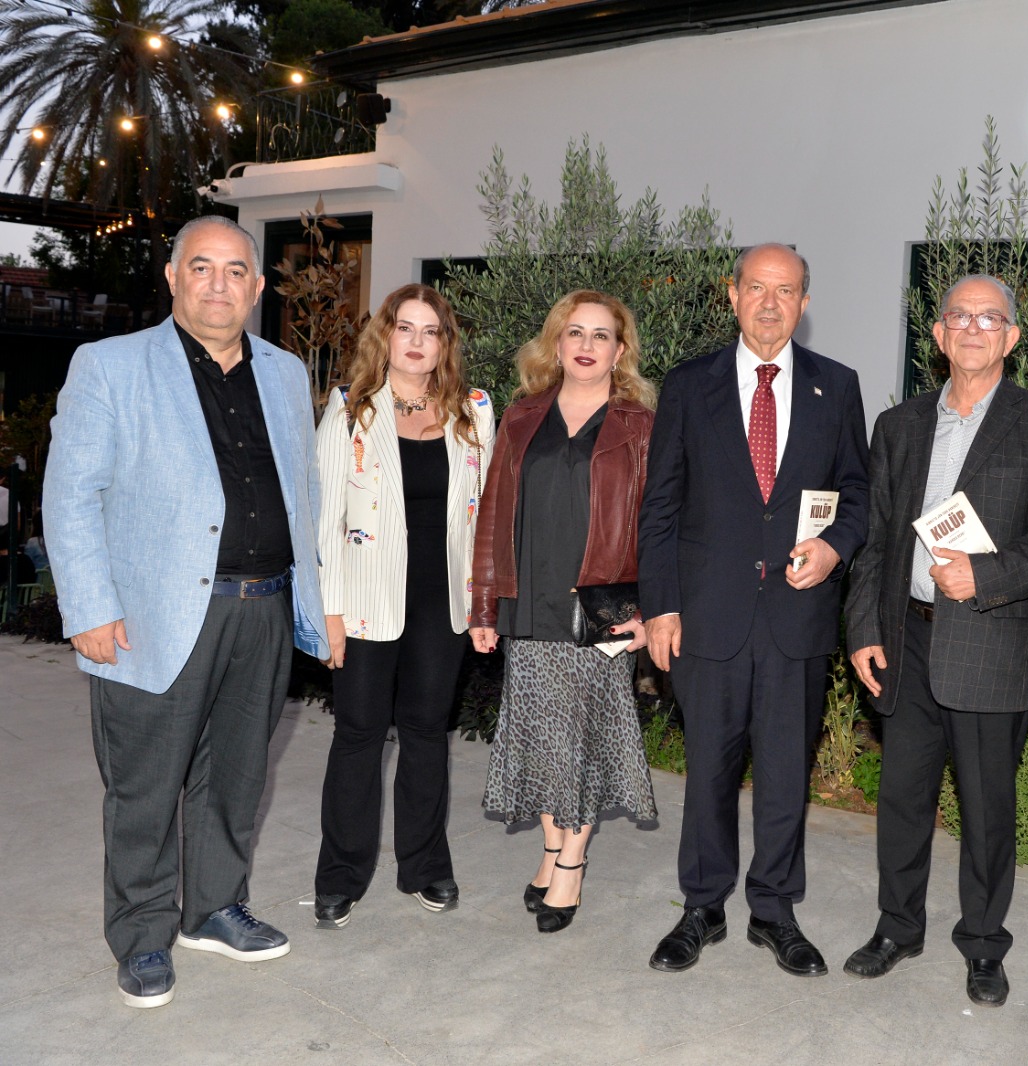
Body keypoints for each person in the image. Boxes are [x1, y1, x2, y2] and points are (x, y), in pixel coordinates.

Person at [43, 215, 329, 1009]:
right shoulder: (110, 365)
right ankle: (142, 934)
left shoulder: (283, 373)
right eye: (200, 267)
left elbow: (302, 494)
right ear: (172, 277)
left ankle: (213, 908)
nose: (218, 284)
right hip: (153, 614)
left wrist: (315, 602)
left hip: (263, 607)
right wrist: (89, 606)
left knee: (235, 776)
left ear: (257, 287)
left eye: (235, 271)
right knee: (144, 785)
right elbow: (70, 495)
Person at [842, 274, 1028, 1006]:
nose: (973, 328)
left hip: (989, 642)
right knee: (901, 801)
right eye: (959, 317)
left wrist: (986, 574)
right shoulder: (899, 424)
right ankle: (897, 928)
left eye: (990, 318)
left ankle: (982, 944)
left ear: (1011, 337)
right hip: (906, 641)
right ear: (939, 334)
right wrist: (863, 630)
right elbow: (875, 539)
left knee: (987, 810)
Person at [638, 243, 869, 976]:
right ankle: (702, 908)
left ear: (805, 303)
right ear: (732, 295)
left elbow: (858, 494)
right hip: (708, 616)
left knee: (784, 776)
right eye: (758, 288)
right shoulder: (689, 385)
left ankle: (774, 911)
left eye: (786, 290)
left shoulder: (838, 386)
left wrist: (834, 547)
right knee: (708, 770)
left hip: (797, 617)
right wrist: (661, 606)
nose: (771, 303)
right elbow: (659, 506)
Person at [471, 290, 658, 934]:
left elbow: (661, 525)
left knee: (579, 737)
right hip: (529, 601)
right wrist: (484, 604)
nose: (586, 345)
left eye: (601, 335)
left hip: (600, 608)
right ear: (556, 343)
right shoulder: (522, 416)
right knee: (542, 734)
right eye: (575, 332)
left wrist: (650, 611)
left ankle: (571, 864)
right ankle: (553, 850)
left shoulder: (640, 426)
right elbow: (493, 515)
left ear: (620, 351)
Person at [311, 284, 496, 929]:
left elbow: (486, 518)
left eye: (430, 331)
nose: (416, 342)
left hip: (441, 603)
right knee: (358, 734)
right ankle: (340, 875)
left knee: (425, 734)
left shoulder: (474, 411)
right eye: (405, 328)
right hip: (365, 600)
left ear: (445, 343)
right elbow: (325, 519)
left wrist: (484, 605)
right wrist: (329, 612)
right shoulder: (350, 411)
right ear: (385, 336)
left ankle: (425, 866)